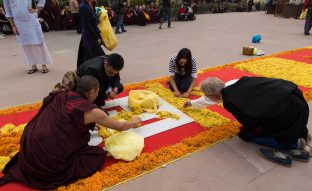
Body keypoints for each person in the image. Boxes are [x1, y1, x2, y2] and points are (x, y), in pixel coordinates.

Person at [0, 75, 141, 189]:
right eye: (97, 92)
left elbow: (63, 117)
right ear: (92, 92)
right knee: (94, 156)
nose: (97, 95)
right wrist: (134, 122)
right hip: (46, 159)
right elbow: (120, 127)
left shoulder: (63, 93)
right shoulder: (92, 111)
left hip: (29, 144)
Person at [184, 77, 311, 166]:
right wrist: (191, 103)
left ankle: (292, 144)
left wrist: (251, 130)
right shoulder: (234, 83)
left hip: (288, 114)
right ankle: (301, 134)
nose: (207, 98)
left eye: (207, 95)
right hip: (298, 101)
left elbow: (251, 121)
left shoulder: (229, 101)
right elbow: (212, 98)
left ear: (212, 95)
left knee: (246, 134)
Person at [3, 0, 52, 74]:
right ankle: (33, 65)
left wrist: (36, 10)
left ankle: (44, 65)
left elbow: (42, 1)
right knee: (26, 45)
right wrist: (13, 25)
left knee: (38, 42)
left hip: (31, 19)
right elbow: (8, 11)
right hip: (18, 23)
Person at [77, 0, 105, 68]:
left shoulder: (89, 4)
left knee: (88, 57)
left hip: (91, 35)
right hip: (89, 36)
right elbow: (87, 25)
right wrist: (96, 37)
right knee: (98, 57)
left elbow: (92, 19)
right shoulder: (84, 7)